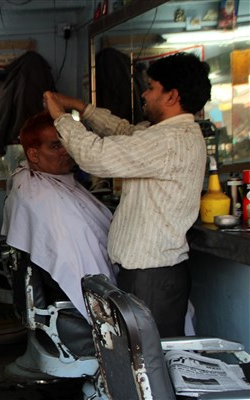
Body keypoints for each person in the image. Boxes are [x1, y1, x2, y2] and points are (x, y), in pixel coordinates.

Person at [43, 52, 211, 337]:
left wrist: (61, 118)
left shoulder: (168, 141)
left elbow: (94, 155)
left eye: (151, 88)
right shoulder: (169, 134)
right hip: (150, 273)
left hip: (151, 278)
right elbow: (126, 132)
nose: (144, 94)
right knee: (142, 354)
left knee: (147, 357)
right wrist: (81, 107)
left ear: (172, 96)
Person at [1, 112, 116, 318]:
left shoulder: (46, 181)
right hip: (73, 297)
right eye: (55, 146)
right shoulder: (42, 198)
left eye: (65, 143)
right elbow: (76, 265)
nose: (66, 151)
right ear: (33, 155)